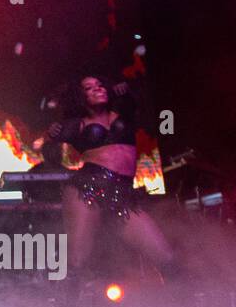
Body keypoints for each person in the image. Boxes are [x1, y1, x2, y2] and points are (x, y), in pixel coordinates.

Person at [47, 76, 179, 293]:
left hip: (122, 195)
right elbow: (50, 148)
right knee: (77, 260)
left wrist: (129, 93)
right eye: (89, 88)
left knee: (166, 257)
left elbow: (160, 114)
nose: (97, 89)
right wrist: (51, 135)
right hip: (89, 186)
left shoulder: (126, 115)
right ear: (81, 97)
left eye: (99, 85)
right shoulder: (77, 124)